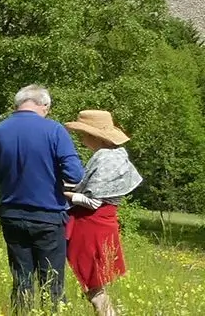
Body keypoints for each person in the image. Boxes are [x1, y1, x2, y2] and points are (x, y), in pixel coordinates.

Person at [0, 84, 85, 313]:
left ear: (20, 103)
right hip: (48, 215)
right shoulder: (54, 130)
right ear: (44, 105)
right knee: (51, 283)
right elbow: (75, 174)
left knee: (21, 280)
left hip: (11, 213)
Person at [63, 110, 142, 316]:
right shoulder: (117, 155)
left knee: (93, 282)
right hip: (102, 223)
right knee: (94, 282)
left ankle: (108, 313)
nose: (81, 139)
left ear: (94, 136)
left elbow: (93, 201)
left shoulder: (106, 159)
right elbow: (92, 189)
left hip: (92, 225)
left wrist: (66, 194)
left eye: (83, 134)